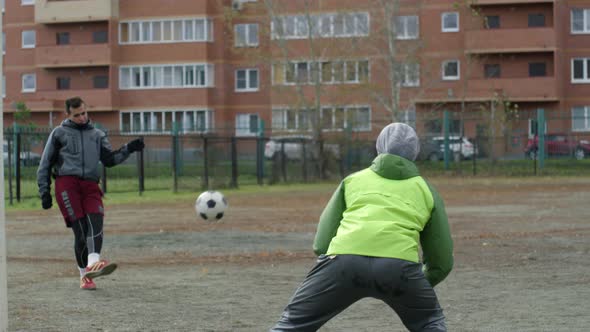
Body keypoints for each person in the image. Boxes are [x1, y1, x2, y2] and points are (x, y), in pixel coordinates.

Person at [271, 123, 454, 332]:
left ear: (378, 147)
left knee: (292, 325)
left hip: (342, 262)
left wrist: (335, 270)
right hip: (399, 268)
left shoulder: (352, 181)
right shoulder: (427, 191)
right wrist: (416, 284)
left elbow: (322, 243)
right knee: (429, 323)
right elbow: (442, 260)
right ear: (416, 153)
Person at [37, 96, 145, 290]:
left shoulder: (97, 134)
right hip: (67, 185)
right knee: (81, 232)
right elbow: (45, 164)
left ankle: (93, 263)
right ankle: (84, 276)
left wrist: (129, 148)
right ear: (68, 114)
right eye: (77, 115)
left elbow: (110, 160)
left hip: (90, 185)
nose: (82, 118)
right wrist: (44, 191)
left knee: (96, 222)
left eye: (84, 113)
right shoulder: (58, 134)